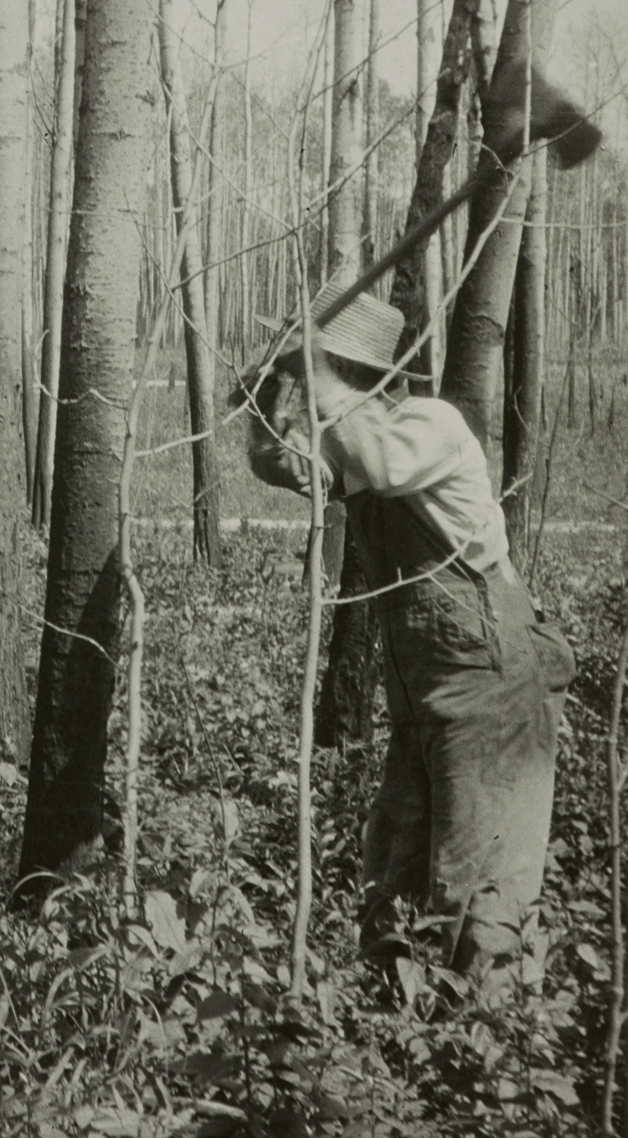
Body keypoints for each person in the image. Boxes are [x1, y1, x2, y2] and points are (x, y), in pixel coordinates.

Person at [246, 286, 575, 1006]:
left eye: (315, 365)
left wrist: (315, 376)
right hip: (425, 698)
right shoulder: (350, 441)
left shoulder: (429, 424)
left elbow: (388, 465)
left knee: (480, 892)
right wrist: (264, 398)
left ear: (344, 368)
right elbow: (283, 467)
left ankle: (490, 1066)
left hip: (494, 685)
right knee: (394, 874)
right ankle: (405, 1041)